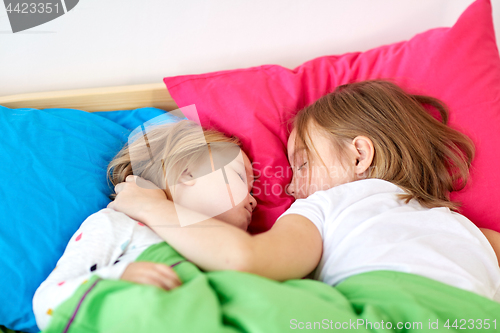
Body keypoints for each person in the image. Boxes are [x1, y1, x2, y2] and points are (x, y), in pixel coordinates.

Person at [108, 80, 500, 302]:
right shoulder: (475, 233)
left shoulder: (329, 205)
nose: (292, 186)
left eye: (303, 163)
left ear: (360, 155)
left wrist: (154, 208)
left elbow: (246, 259)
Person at [32, 119, 257, 330]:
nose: (254, 200)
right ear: (187, 173)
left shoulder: (228, 251)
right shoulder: (118, 224)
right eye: (239, 176)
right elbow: (47, 303)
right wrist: (120, 275)